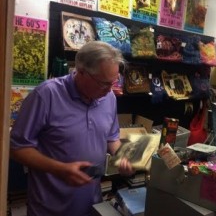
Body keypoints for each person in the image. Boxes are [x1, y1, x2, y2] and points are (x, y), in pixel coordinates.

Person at [10, 41, 135, 216]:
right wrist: (59, 169)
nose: (110, 90)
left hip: (91, 204)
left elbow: (111, 137)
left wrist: (122, 156)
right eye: (104, 83)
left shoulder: (109, 98)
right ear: (81, 72)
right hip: (49, 207)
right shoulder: (46, 95)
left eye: (113, 82)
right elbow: (17, 148)